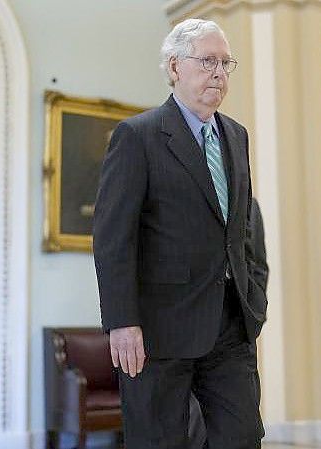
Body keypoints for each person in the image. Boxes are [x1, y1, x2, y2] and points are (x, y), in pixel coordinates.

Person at [94, 18, 266, 449]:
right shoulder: (138, 136)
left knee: (242, 437)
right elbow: (114, 238)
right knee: (159, 441)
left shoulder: (236, 136)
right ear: (174, 67)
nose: (220, 73)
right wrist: (121, 322)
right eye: (208, 61)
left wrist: (255, 301)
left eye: (227, 63)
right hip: (158, 328)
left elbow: (246, 227)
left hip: (230, 324)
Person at [188, 196, 268, 449]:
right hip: (185, 337)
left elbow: (257, 266)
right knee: (193, 430)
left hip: (236, 332)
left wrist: (252, 314)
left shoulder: (247, 203)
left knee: (242, 431)